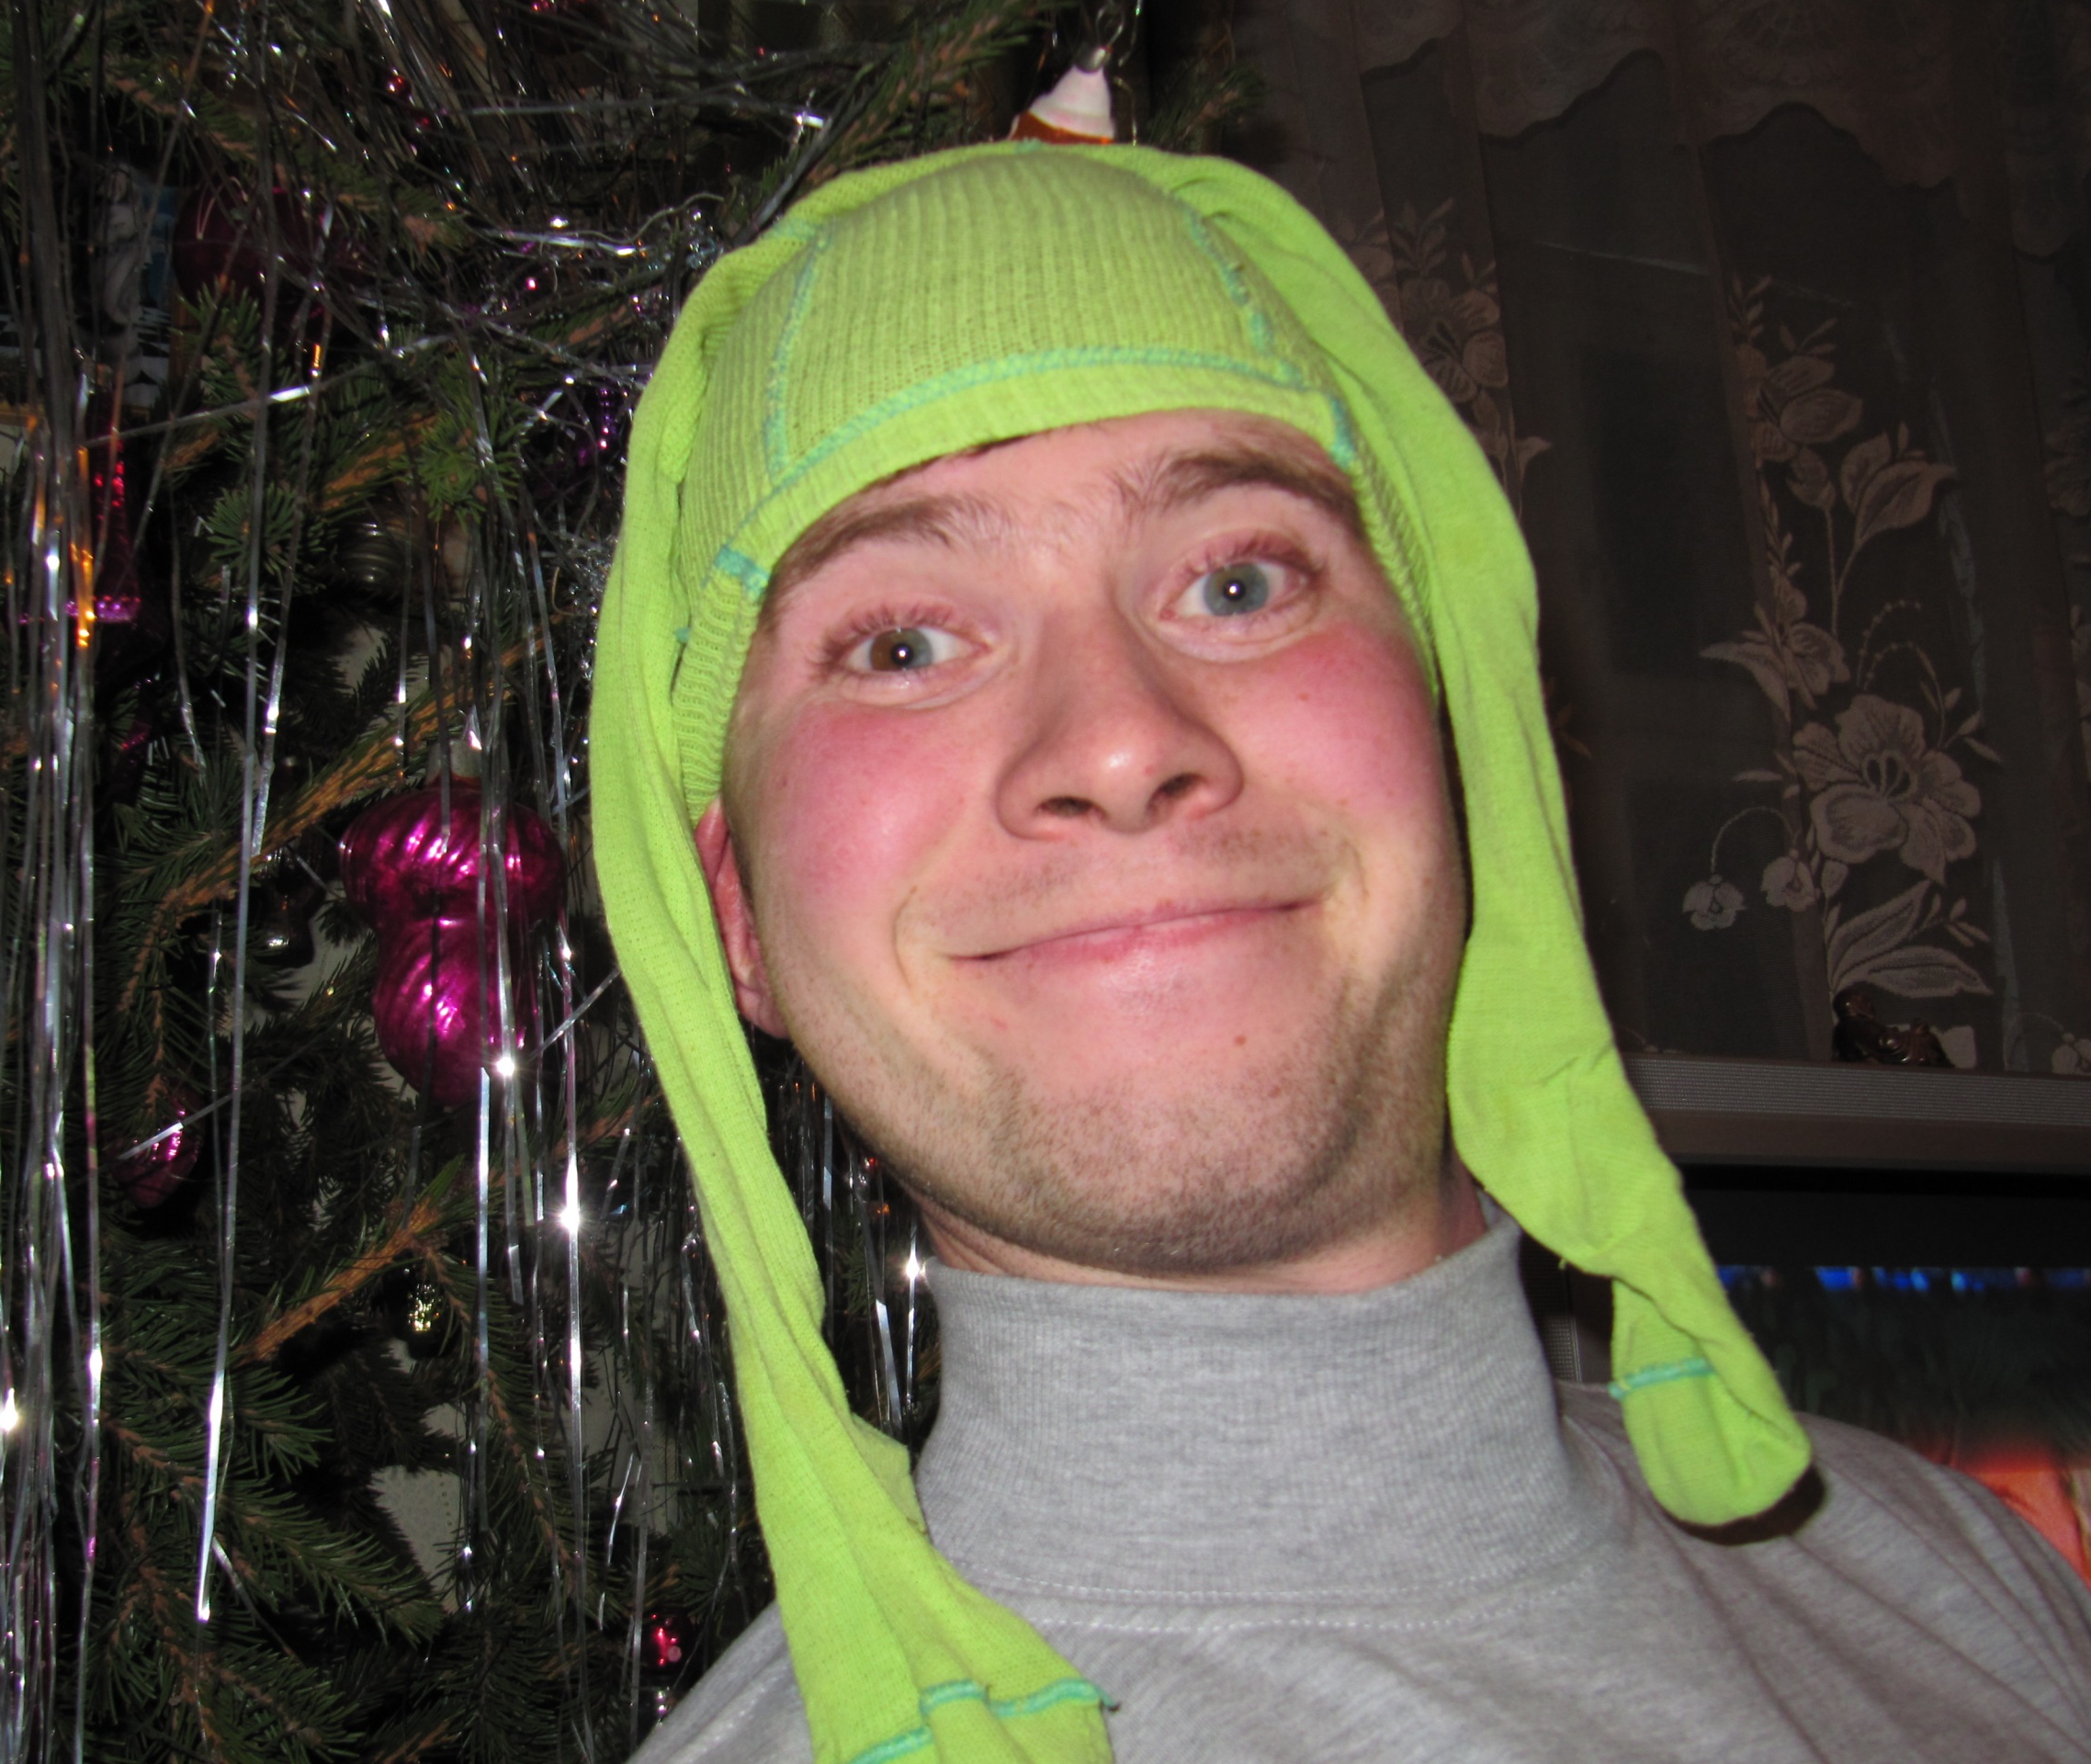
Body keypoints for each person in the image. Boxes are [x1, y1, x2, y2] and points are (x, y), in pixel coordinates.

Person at [588, 142, 2091, 1763]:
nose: (1118, 743)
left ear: (1462, 738)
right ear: (735, 917)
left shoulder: (1972, 1582)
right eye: (901, 644)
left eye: (1239, 582)